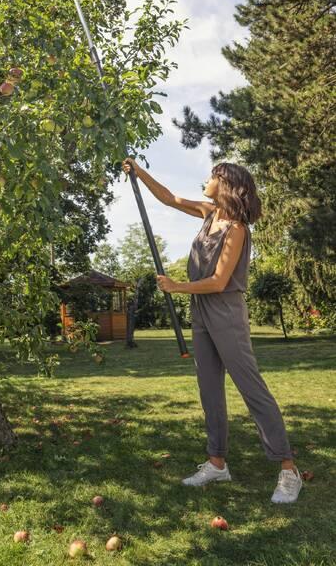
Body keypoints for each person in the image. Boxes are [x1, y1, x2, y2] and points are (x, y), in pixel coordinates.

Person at [121, 158, 303, 504]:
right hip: (202, 314)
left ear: (226, 184)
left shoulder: (236, 229)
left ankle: (288, 469)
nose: (206, 179)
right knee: (209, 390)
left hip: (226, 312)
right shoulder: (208, 214)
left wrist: (176, 286)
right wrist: (140, 172)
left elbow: (219, 281)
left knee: (252, 389)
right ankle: (217, 462)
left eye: (212, 176)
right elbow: (169, 199)